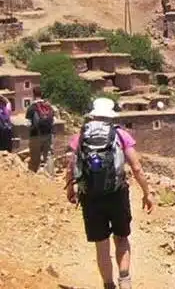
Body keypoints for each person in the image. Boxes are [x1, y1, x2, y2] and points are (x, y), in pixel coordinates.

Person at [65, 97, 154, 289]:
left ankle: (108, 285)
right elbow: (136, 167)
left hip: (90, 197)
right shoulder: (120, 135)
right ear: (110, 116)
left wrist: (70, 188)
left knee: (101, 245)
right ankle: (125, 281)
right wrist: (147, 193)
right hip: (117, 194)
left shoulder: (80, 136)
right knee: (121, 239)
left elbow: (71, 166)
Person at [25, 87, 54, 173]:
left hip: (35, 136)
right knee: (48, 156)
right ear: (42, 94)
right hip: (48, 135)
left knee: (35, 157)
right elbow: (54, 121)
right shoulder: (48, 107)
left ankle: (34, 179)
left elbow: (28, 124)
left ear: (33, 94)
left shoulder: (31, 108)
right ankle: (51, 176)